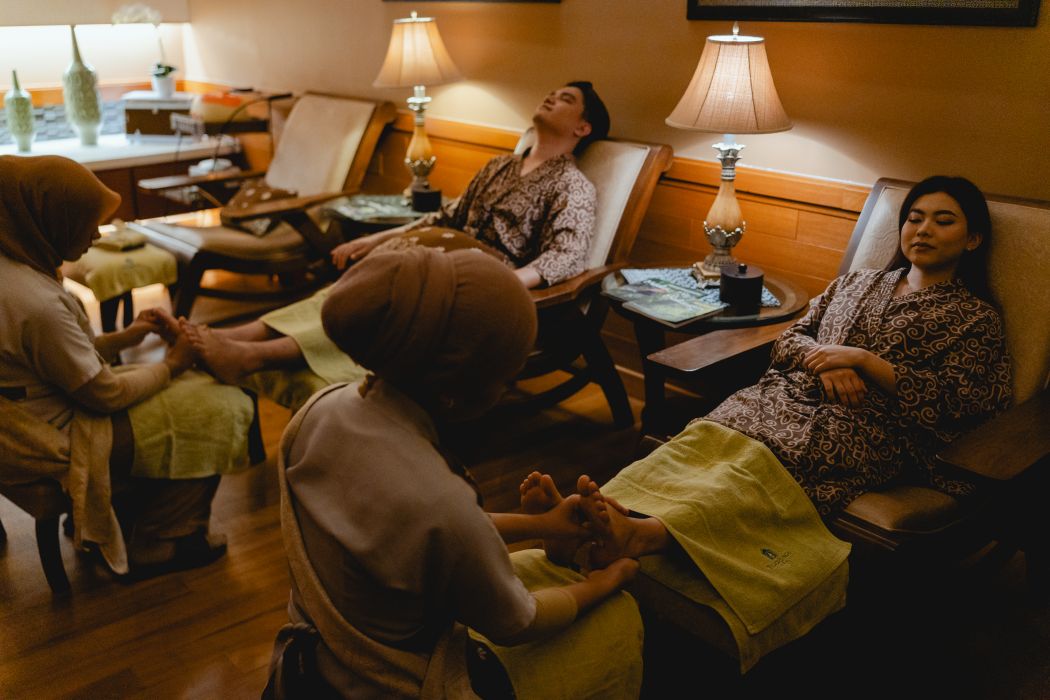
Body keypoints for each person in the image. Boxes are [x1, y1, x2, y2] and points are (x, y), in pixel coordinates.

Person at [547, 175, 1014, 562]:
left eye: (943, 221)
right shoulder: (858, 282)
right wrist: (825, 362)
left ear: (973, 239)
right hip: (786, 396)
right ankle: (602, 514)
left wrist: (864, 361)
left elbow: (961, 402)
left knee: (757, 465)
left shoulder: (974, 319)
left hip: (867, 429)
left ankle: (644, 536)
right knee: (712, 433)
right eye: (914, 218)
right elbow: (793, 337)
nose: (923, 229)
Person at [264, 246, 638, 698]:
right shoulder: (441, 498)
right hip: (384, 683)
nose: (506, 390)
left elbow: (416, 535)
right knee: (619, 620)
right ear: (457, 393)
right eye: (505, 380)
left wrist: (543, 525)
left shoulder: (319, 411)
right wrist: (605, 582)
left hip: (301, 669)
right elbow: (517, 621)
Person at [182, 81, 611, 386]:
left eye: (566, 99)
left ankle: (254, 355)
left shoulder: (571, 186)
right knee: (354, 287)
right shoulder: (500, 165)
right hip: (442, 254)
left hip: (480, 282)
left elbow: (567, 256)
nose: (551, 97)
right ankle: (228, 337)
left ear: (583, 128)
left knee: (378, 305)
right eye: (552, 92)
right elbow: (446, 216)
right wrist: (374, 240)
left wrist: (506, 282)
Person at [0, 155, 255, 578]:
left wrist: (128, 336)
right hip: (52, 435)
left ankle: (127, 511)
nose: (96, 234)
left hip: (27, 420)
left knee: (189, 392)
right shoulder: (37, 303)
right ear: (49, 220)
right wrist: (173, 364)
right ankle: (162, 538)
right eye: (86, 223)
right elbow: (104, 394)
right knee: (220, 406)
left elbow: (56, 360)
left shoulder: (12, 270)